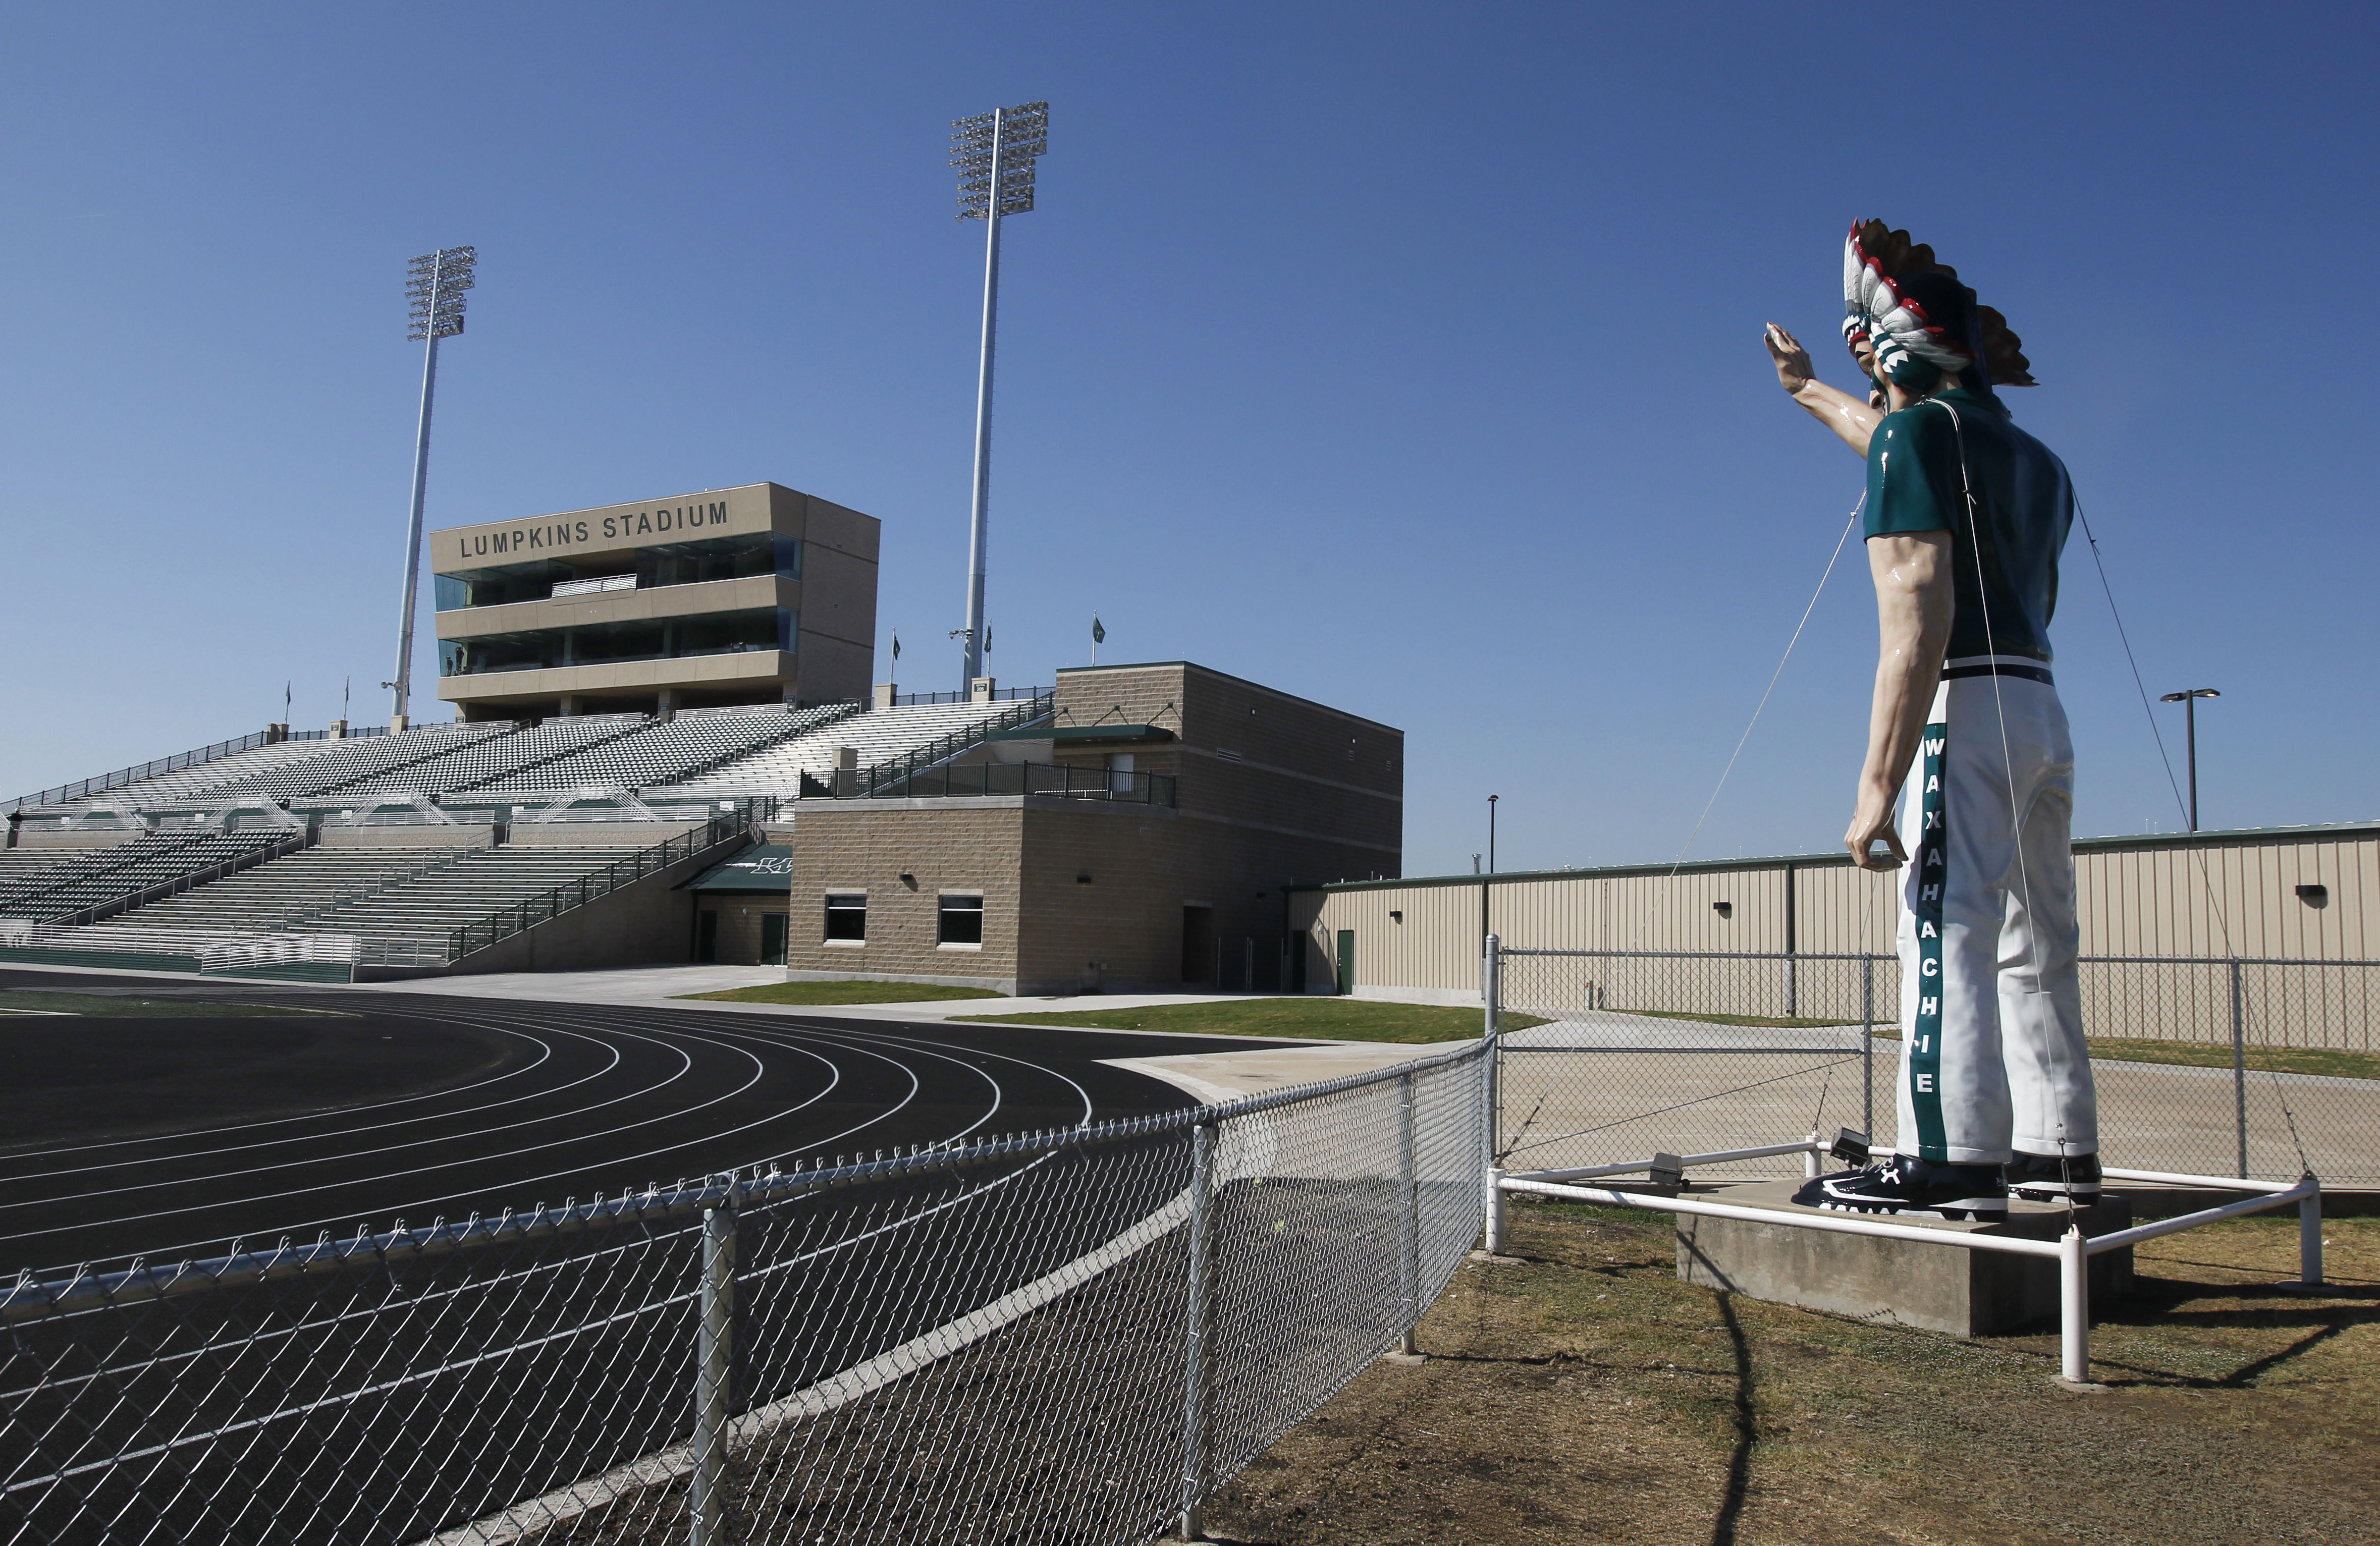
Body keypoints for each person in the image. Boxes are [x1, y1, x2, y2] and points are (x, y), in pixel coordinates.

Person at [1775, 221, 2099, 1220]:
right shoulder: (2040, 460)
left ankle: (1949, 1154)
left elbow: (1916, 609)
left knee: (1944, 925)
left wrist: (1877, 784)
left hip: (1963, 699)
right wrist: (1806, 392)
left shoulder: (1919, 437)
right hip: (2042, 704)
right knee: (2039, 939)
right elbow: (1891, 433)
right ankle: (2057, 1145)